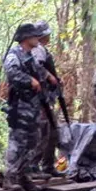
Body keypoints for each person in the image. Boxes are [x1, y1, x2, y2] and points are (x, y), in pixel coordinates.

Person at [2, 23, 48, 191]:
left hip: (33, 107)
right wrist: (30, 80)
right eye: (35, 36)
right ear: (26, 38)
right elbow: (12, 73)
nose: (38, 39)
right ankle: (11, 177)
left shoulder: (31, 57)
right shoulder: (14, 55)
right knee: (17, 142)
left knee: (32, 141)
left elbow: (41, 75)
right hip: (20, 106)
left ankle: (24, 176)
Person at [31, 21, 63, 176]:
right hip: (40, 98)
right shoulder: (37, 49)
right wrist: (49, 76)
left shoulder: (42, 49)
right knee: (43, 131)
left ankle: (48, 165)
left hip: (47, 97)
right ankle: (34, 165)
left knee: (52, 131)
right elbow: (37, 67)